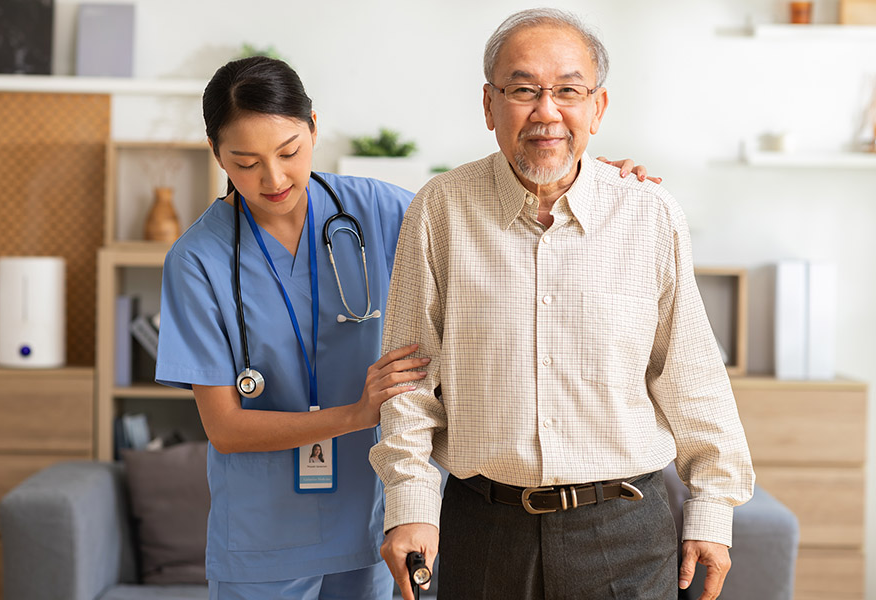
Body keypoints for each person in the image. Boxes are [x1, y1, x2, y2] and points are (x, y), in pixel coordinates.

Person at [155, 56, 655, 600]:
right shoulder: (197, 260)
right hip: (263, 534)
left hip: (376, 517)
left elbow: (507, 219)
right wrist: (356, 414)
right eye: (245, 161)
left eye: (289, 152)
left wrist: (585, 181)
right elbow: (225, 427)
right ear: (215, 152)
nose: (272, 178)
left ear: (314, 127)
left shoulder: (383, 210)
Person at [370, 8, 754, 600]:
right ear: (489, 104)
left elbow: (690, 374)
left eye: (568, 91)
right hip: (483, 525)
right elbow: (411, 381)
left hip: (624, 526)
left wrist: (712, 507)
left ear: (598, 108)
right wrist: (409, 501)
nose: (546, 111)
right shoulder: (439, 210)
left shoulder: (649, 213)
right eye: (522, 90)